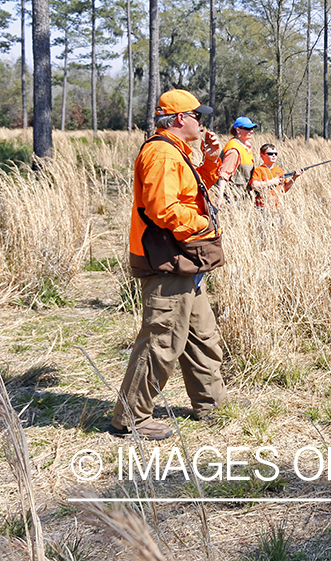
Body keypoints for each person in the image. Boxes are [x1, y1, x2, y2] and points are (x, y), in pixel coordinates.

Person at [110, 89, 228, 440]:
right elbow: (163, 209)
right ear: (180, 119)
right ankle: (130, 418)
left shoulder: (176, 151)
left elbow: (192, 190)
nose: (201, 123)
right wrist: (205, 225)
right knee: (161, 340)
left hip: (181, 260)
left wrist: (210, 160)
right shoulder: (162, 153)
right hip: (165, 261)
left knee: (201, 335)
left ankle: (211, 403)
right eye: (197, 116)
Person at [217, 116, 258, 201]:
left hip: (242, 197)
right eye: (247, 128)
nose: (251, 131)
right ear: (238, 130)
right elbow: (223, 175)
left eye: (252, 128)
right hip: (232, 198)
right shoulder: (234, 149)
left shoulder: (246, 147)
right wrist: (220, 198)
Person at [249, 143, 302, 209]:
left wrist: (294, 177)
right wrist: (272, 182)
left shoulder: (280, 170)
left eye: (275, 154)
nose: (274, 155)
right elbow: (254, 185)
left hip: (277, 206)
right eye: (270, 154)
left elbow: (284, 189)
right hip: (263, 206)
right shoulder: (259, 170)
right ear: (262, 156)